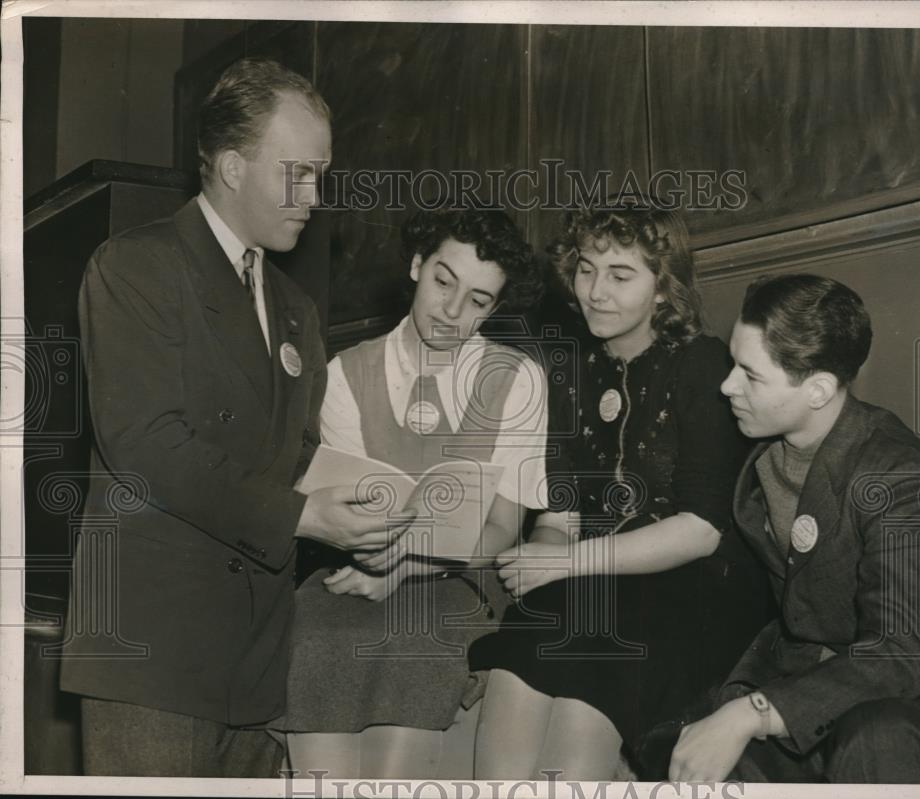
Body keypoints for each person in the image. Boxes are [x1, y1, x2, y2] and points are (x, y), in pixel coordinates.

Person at [59, 58, 401, 777]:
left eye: (322, 173)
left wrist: (370, 507)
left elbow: (290, 453)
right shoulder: (136, 268)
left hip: (255, 663)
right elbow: (149, 446)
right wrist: (306, 517)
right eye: (298, 172)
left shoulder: (296, 309)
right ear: (233, 166)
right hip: (153, 657)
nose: (314, 195)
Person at [468, 206, 770, 780]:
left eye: (620, 275)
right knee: (521, 654)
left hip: (691, 586)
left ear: (663, 289)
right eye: (586, 270)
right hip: (592, 577)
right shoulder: (568, 372)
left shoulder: (703, 363)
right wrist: (546, 552)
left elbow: (702, 530)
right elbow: (559, 512)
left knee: (593, 669)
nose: (595, 292)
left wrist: (567, 563)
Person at [275, 208, 549, 778]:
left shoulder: (517, 379)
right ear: (418, 265)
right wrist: (383, 558)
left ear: (494, 309)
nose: (451, 311)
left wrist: (408, 562)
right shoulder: (347, 373)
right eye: (443, 281)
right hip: (360, 569)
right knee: (317, 636)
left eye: (477, 300)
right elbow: (348, 518)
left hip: (467, 577)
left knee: (415, 643)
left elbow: (500, 531)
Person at [669, 273, 920, 784]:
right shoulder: (761, 444)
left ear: (817, 391)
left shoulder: (895, 474)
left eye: (750, 374)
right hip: (799, 669)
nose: (727, 387)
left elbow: (902, 652)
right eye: (731, 365)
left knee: (876, 738)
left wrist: (753, 712)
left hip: (906, 694)